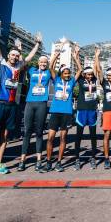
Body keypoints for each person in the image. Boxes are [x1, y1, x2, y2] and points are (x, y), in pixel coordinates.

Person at [0, 17, 38, 177]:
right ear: (8, 55)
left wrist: (37, 44)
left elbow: (27, 58)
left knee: (5, 136)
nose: (14, 57)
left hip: (12, 105)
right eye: (12, 54)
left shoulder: (19, 66)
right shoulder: (1, 63)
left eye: (16, 55)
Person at [45, 44, 82, 172]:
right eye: (65, 73)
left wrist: (74, 57)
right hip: (55, 112)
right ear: (61, 73)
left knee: (63, 138)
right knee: (50, 138)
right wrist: (57, 53)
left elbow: (80, 70)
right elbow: (50, 67)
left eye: (68, 73)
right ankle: (49, 162)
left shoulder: (72, 81)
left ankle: (59, 162)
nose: (67, 75)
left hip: (66, 113)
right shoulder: (56, 80)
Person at [17, 32, 51, 172]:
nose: (43, 64)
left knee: (38, 132)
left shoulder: (49, 73)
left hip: (42, 104)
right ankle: (22, 160)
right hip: (30, 103)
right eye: (41, 62)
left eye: (45, 62)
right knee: (27, 132)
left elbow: (53, 61)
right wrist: (21, 50)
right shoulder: (31, 70)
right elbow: (24, 61)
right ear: (38, 63)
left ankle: (38, 160)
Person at [72, 61, 99, 171]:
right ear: (84, 75)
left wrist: (97, 56)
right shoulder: (81, 80)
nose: (90, 76)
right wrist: (76, 56)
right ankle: (77, 159)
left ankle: (93, 158)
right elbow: (80, 68)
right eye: (88, 74)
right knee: (78, 136)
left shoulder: (95, 80)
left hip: (92, 110)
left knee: (93, 136)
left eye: (91, 74)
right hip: (82, 110)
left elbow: (97, 68)